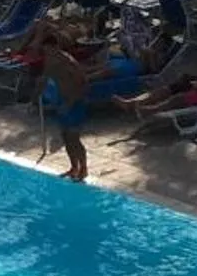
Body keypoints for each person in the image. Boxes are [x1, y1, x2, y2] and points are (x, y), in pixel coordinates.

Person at [38, 38, 143, 182]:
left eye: (49, 50)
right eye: (45, 51)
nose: (47, 53)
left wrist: (71, 102)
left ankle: (84, 168)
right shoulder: (50, 61)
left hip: (75, 103)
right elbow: (45, 77)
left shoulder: (69, 62)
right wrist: (39, 93)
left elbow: (83, 84)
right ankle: (74, 167)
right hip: (62, 101)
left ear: (56, 47)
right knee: (65, 137)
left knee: (74, 138)